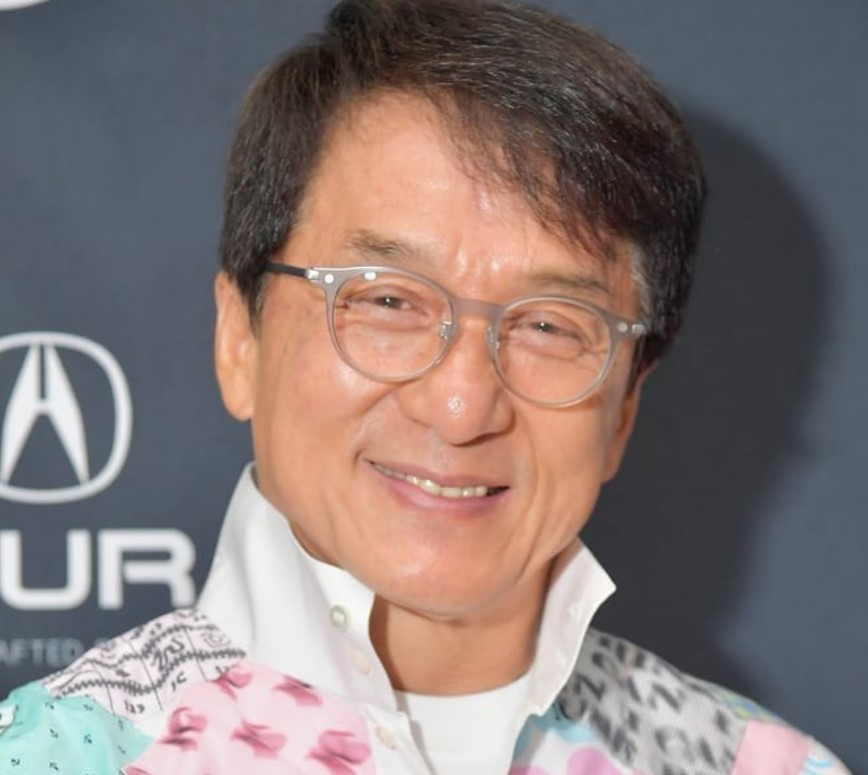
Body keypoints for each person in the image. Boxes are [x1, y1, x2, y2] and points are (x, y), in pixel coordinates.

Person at [0, 0, 852, 773]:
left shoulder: (763, 767)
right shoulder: (61, 755)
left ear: (625, 405)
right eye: (387, 300)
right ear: (240, 339)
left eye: (549, 324)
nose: (461, 405)